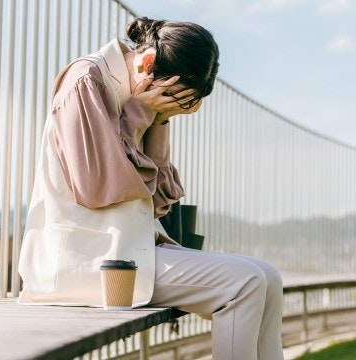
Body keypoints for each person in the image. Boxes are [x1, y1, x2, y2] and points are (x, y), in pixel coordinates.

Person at [17, 17, 284, 359]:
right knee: (244, 283)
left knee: (269, 278)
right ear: (147, 64)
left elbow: (157, 202)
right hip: (81, 259)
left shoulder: (136, 92)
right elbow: (97, 187)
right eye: (171, 100)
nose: (167, 107)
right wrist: (143, 110)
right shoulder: (86, 81)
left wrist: (159, 120)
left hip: (126, 250)